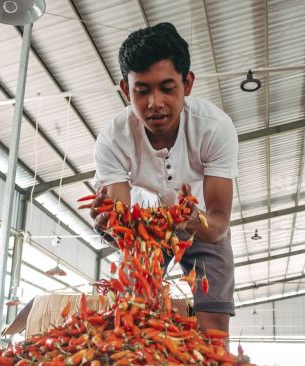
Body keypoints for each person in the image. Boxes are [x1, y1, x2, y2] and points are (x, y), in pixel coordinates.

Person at [90, 22, 238, 334]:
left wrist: (190, 219)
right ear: (125, 90)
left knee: (213, 326)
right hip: (147, 226)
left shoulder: (214, 128)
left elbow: (219, 224)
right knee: (134, 318)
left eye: (167, 88)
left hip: (200, 221)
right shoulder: (113, 138)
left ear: (188, 83)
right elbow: (122, 222)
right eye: (141, 91)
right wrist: (110, 225)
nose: (154, 103)